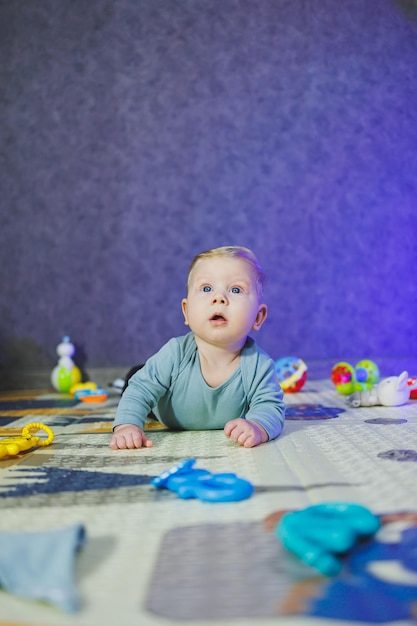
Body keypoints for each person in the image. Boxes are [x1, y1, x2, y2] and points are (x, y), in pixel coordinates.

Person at [110, 245, 285, 450]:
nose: (218, 298)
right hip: (161, 403)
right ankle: (122, 382)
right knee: (135, 380)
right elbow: (140, 391)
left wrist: (257, 426)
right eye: (206, 288)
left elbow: (271, 406)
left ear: (258, 317)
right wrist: (127, 426)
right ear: (186, 311)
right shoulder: (175, 353)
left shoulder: (259, 365)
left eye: (236, 290)